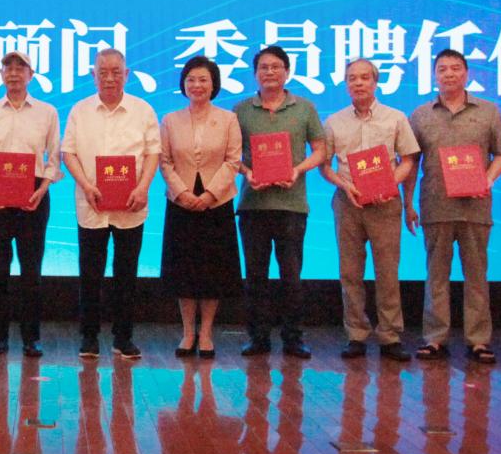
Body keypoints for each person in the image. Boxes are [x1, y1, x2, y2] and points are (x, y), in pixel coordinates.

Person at [407, 48, 501, 364]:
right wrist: (407, 202)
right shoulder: (420, 115)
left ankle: (478, 340)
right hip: (435, 205)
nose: (449, 74)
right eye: (442, 69)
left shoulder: (488, 111)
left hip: (476, 208)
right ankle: (435, 338)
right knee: (436, 275)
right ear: (434, 75)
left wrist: (486, 180)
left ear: (466, 73)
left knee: (476, 275)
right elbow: (410, 162)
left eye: (455, 68)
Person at [61, 48, 159, 360]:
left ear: (126, 75)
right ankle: (89, 337)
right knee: (90, 273)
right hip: (92, 203)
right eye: (103, 72)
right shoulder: (80, 110)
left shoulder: (143, 110)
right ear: (93, 75)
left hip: (132, 205)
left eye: (116, 72)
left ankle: (123, 338)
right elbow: (68, 152)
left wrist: (143, 187)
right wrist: (86, 185)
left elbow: (153, 153)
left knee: (126, 274)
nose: (110, 78)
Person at [318, 58, 419, 362]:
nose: (358, 83)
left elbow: (408, 160)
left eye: (364, 77)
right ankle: (356, 334)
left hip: (385, 204)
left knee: (387, 271)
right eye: (352, 78)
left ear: (375, 82)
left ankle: (390, 335)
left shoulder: (396, 118)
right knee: (350, 272)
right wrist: (344, 185)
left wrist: (388, 185)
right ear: (346, 84)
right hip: (348, 203)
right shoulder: (334, 121)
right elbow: (324, 165)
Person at [232, 45, 329, 358]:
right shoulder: (241, 110)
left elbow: (321, 150)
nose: (269, 72)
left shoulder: (304, 108)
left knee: (291, 277)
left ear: (287, 72)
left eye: (276, 66)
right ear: (255, 74)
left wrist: (298, 169)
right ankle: (258, 337)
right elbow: (230, 154)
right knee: (255, 276)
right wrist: (247, 172)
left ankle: (293, 338)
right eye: (263, 67)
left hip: (292, 205)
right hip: (253, 205)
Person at [0, 51, 61, 358]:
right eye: (7, 67)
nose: (13, 73)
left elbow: (54, 157)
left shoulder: (47, 112)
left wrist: (43, 189)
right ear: (0, 75)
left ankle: (31, 338)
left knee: (31, 271)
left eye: (20, 68)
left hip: (33, 195)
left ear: (31, 75)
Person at [158, 56, 243, 360]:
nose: (197, 85)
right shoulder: (170, 120)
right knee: (184, 270)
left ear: (214, 84)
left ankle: (206, 333)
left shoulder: (228, 119)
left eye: (203, 79)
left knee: (212, 271)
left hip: (216, 204)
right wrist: (181, 192)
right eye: (191, 79)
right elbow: (164, 161)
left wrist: (209, 195)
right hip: (180, 203)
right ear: (183, 83)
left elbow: (233, 161)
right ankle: (187, 332)